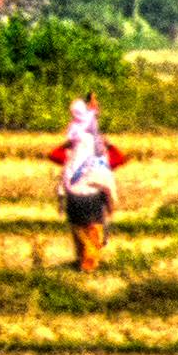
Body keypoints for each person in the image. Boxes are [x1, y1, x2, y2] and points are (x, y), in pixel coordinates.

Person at [51, 98, 115, 273]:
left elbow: (63, 179)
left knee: (80, 233)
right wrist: (111, 205)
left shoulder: (73, 137)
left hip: (73, 196)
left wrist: (61, 201)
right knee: (94, 234)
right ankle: (89, 266)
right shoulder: (96, 158)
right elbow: (108, 184)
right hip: (91, 197)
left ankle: (83, 263)